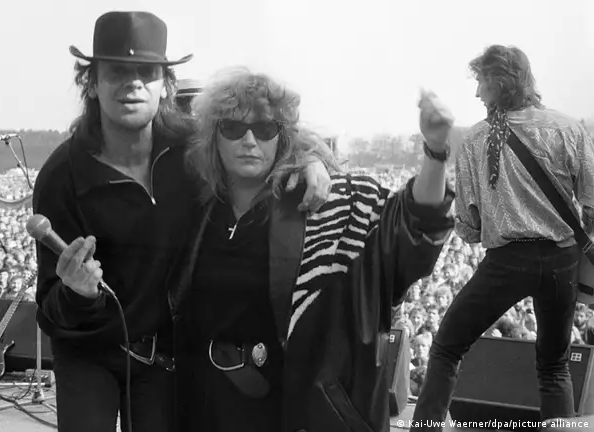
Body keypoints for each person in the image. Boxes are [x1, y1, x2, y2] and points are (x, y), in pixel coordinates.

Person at [31, 11, 332, 432]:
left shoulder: (190, 150)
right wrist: (77, 294)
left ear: (164, 85)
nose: (133, 84)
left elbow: (262, 137)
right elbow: (49, 310)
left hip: (162, 354)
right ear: (92, 83)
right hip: (88, 353)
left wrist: (310, 157)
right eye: (117, 72)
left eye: (146, 73)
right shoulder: (62, 176)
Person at [169, 67, 455, 432]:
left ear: (283, 135)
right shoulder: (198, 207)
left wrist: (435, 152)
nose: (249, 140)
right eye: (233, 128)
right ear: (214, 136)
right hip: (203, 403)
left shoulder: (325, 206)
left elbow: (410, 229)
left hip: (291, 409)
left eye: (265, 128)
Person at [411, 44, 594, 428]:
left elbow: (468, 228)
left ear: (499, 83)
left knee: (445, 348)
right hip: (562, 260)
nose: (477, 92)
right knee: (554, 366)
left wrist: (499, 213)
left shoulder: (477, 140)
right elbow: (592, 204)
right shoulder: (569, 129)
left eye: (481, 82)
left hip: (507, 261)